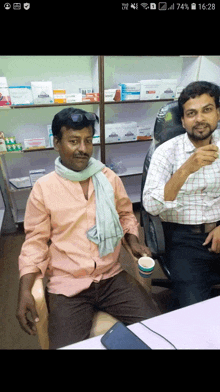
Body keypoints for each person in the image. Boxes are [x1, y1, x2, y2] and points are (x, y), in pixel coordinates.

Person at [16, 107, 159, 349]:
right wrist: (25, 289)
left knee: (157, 330)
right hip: (67, 285)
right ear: (57, 143)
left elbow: (125, 214)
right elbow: (36, 242)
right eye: (73, 141)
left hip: (111, 276)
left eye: (88, 140)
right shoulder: (43, 189)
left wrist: (132, 240)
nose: (83, 149)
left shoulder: (108, 178)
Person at [143, 81, 220, 310]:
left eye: (207, 110)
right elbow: (150, 205)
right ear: (183, 120)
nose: (199, 119)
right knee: (196, 313)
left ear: (218, 112)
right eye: (191, 113)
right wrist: (186, 169)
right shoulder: (166, 152)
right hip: (184, 240)